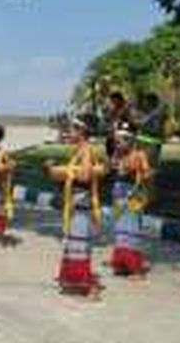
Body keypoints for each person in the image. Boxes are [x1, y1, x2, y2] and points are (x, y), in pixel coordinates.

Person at [45, 117, 106, 299]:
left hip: (81, 206)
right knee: (74, 245)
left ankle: (89, 289)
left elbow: (86, 176)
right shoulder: (79, 150)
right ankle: (76, 281)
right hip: (75, 205)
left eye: (72, 130)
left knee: (80, 246)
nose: (69, 133)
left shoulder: (86, 150)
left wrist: (64, 172)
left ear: (81, 132)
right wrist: (53, 170)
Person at [109, 123, 152, 279]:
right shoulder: (117, 155)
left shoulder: (139, 155)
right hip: (119, 196)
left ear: (131, 141)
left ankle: (135, 268)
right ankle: (121, 264)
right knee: (120, 230)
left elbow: (147, 173)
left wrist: (138, 172)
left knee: (131, 229)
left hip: (132, 196)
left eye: (122, 140)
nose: (118, 143)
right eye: (117, 140)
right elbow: (110, 168)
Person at [104, 91, 133, 160]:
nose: (113, 103)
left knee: (122, 155)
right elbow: (110, 120)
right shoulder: (114, 109)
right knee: (112, 154)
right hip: (113, 137)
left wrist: (121, 125)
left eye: (114, 100)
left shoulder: (127, 108)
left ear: (119, 99)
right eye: (112, 101)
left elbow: (130, 123)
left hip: (123, 136)